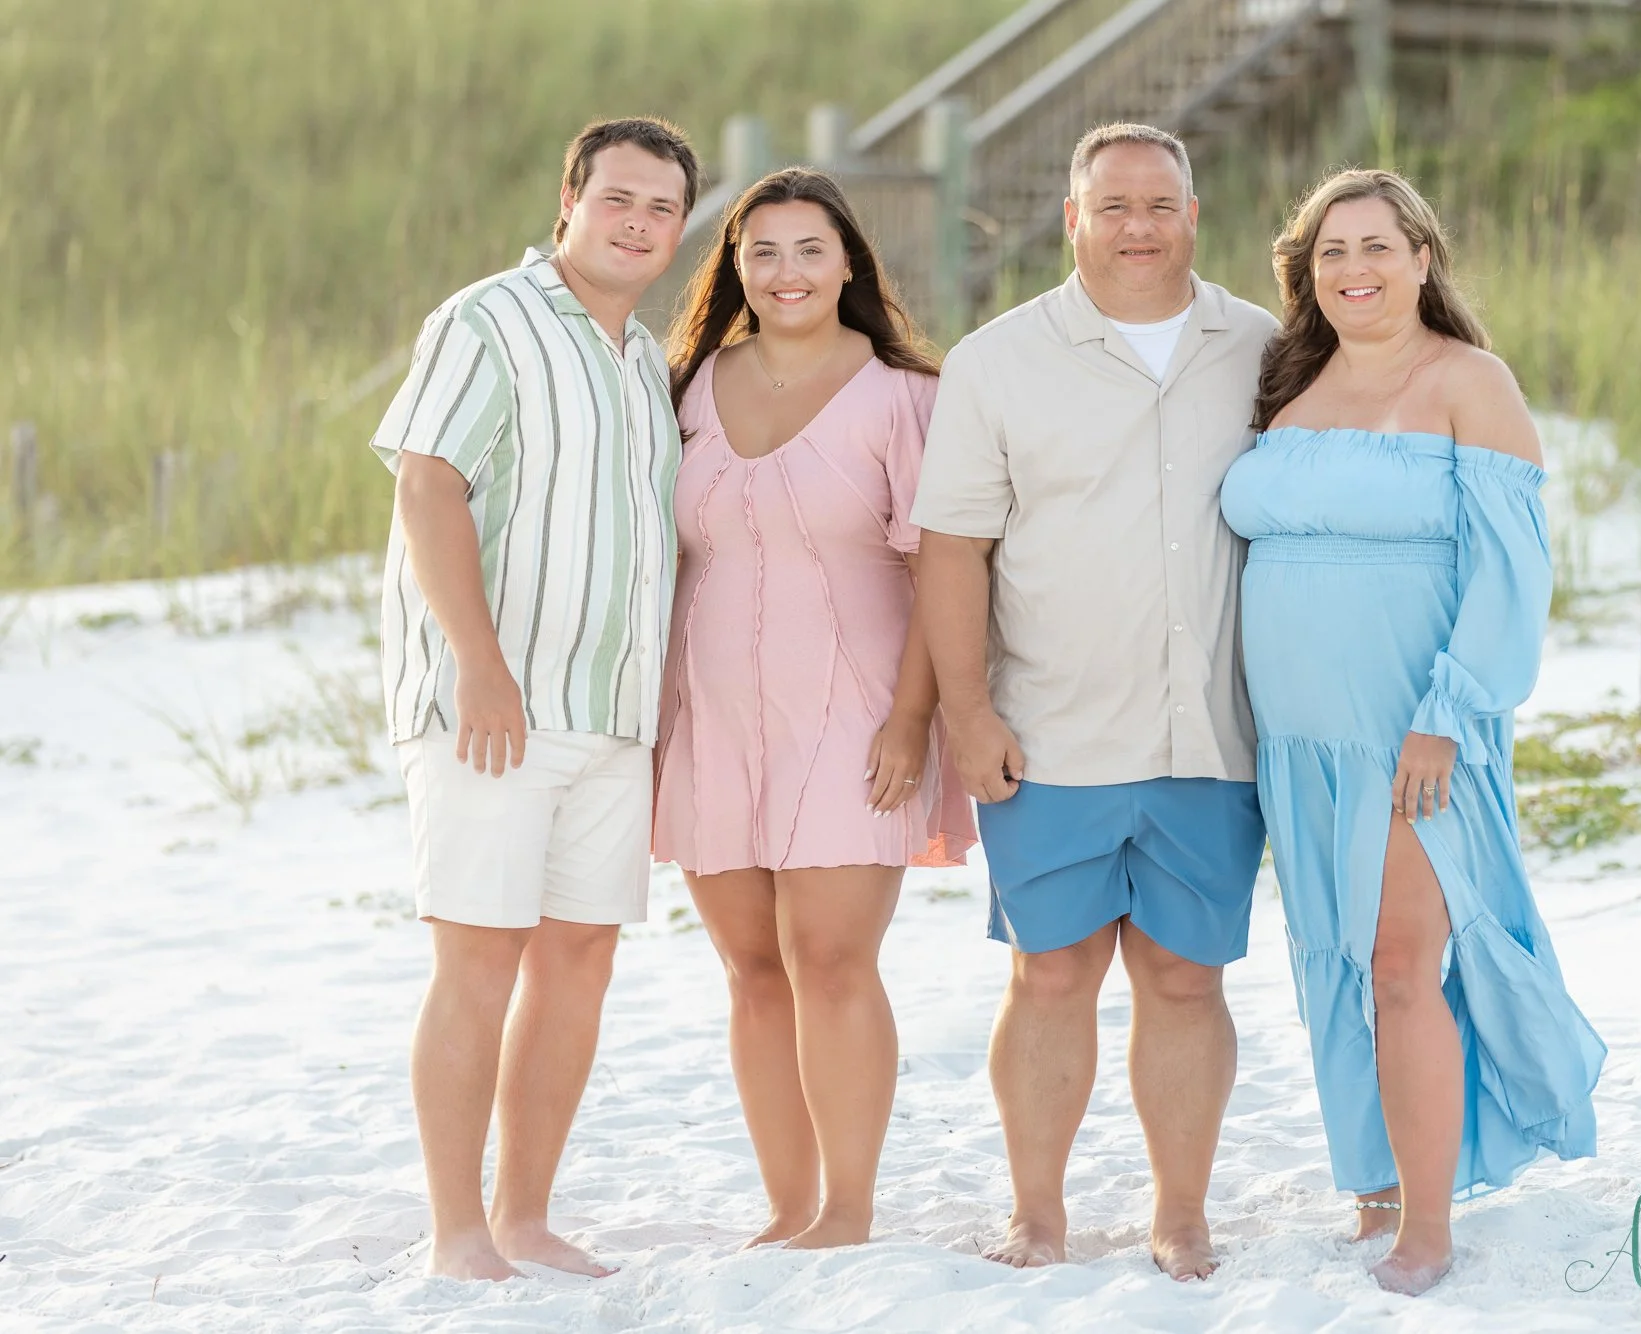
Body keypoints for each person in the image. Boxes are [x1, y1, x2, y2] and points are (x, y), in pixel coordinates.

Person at [1219, 168, 1605, 1295]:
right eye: (1330, 251)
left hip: (1414, 732)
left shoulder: (1465, 380)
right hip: (1297, 736)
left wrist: (1447, 715)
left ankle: (1425, 1225)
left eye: (1376, 246)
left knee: (1400, 962)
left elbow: (1510, 571)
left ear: (1422, 258)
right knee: (1337, 963)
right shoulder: (1288, 383)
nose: (1354, 269)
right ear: (1307, 273)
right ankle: (1375, 1184)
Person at [913, 124, 1277, 1282]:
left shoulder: (1261, 347)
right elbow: (950, 547)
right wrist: (964, 712)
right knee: (1051, 970)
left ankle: (1180, 1213)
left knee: (1182, 975)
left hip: (1209, 729)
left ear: (1192, 213)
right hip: (1050, 729)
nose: (1136, 225)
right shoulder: (996, 360)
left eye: (1158, 203)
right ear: (1071, 218)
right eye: (1110, 204)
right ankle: (1038, 1213)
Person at [372, 117, 698, 1281]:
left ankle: (522, 1216)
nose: (637, 223)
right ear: (568, 198)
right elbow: (427, 484)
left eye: (661, 209)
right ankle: (456, 1230)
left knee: (578, 962)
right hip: (491, 711)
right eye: (616, 199)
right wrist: (480, 660)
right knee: (478, 959)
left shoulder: (639, 356)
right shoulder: (485, 320)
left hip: (609, 720)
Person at [654, 167, 976, 1251]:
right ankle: (787, 1204)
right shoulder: (688, 385)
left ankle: (846, 1204)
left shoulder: (902, 397)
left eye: (808, 249)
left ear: (848, 263)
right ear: (735, 268)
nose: (785, 271)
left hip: (856, 713)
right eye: (762, 252)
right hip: (712, 715)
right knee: (751, 970)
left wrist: (910, 720)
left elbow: (944, 571)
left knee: (831, 961)